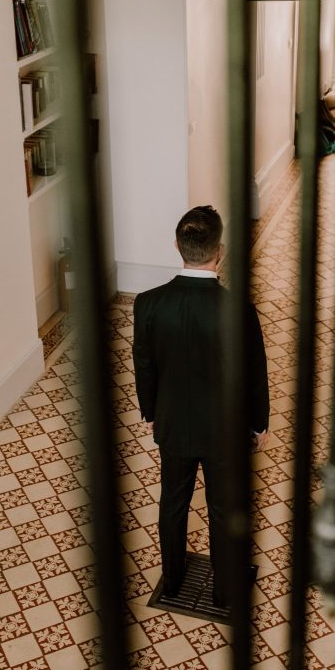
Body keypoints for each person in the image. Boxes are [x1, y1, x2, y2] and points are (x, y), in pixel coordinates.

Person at [132, 205, 269, 607]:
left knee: (172, 503)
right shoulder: (238, 311)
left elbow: (144, 364)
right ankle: (225, 591)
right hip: (224, 430)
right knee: (224, 510)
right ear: (220, 251)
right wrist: (258, 425)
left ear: (177, 246)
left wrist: (151, 412)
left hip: (173, 424)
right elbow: (253, 374)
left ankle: (172, 582)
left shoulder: (148, 303)